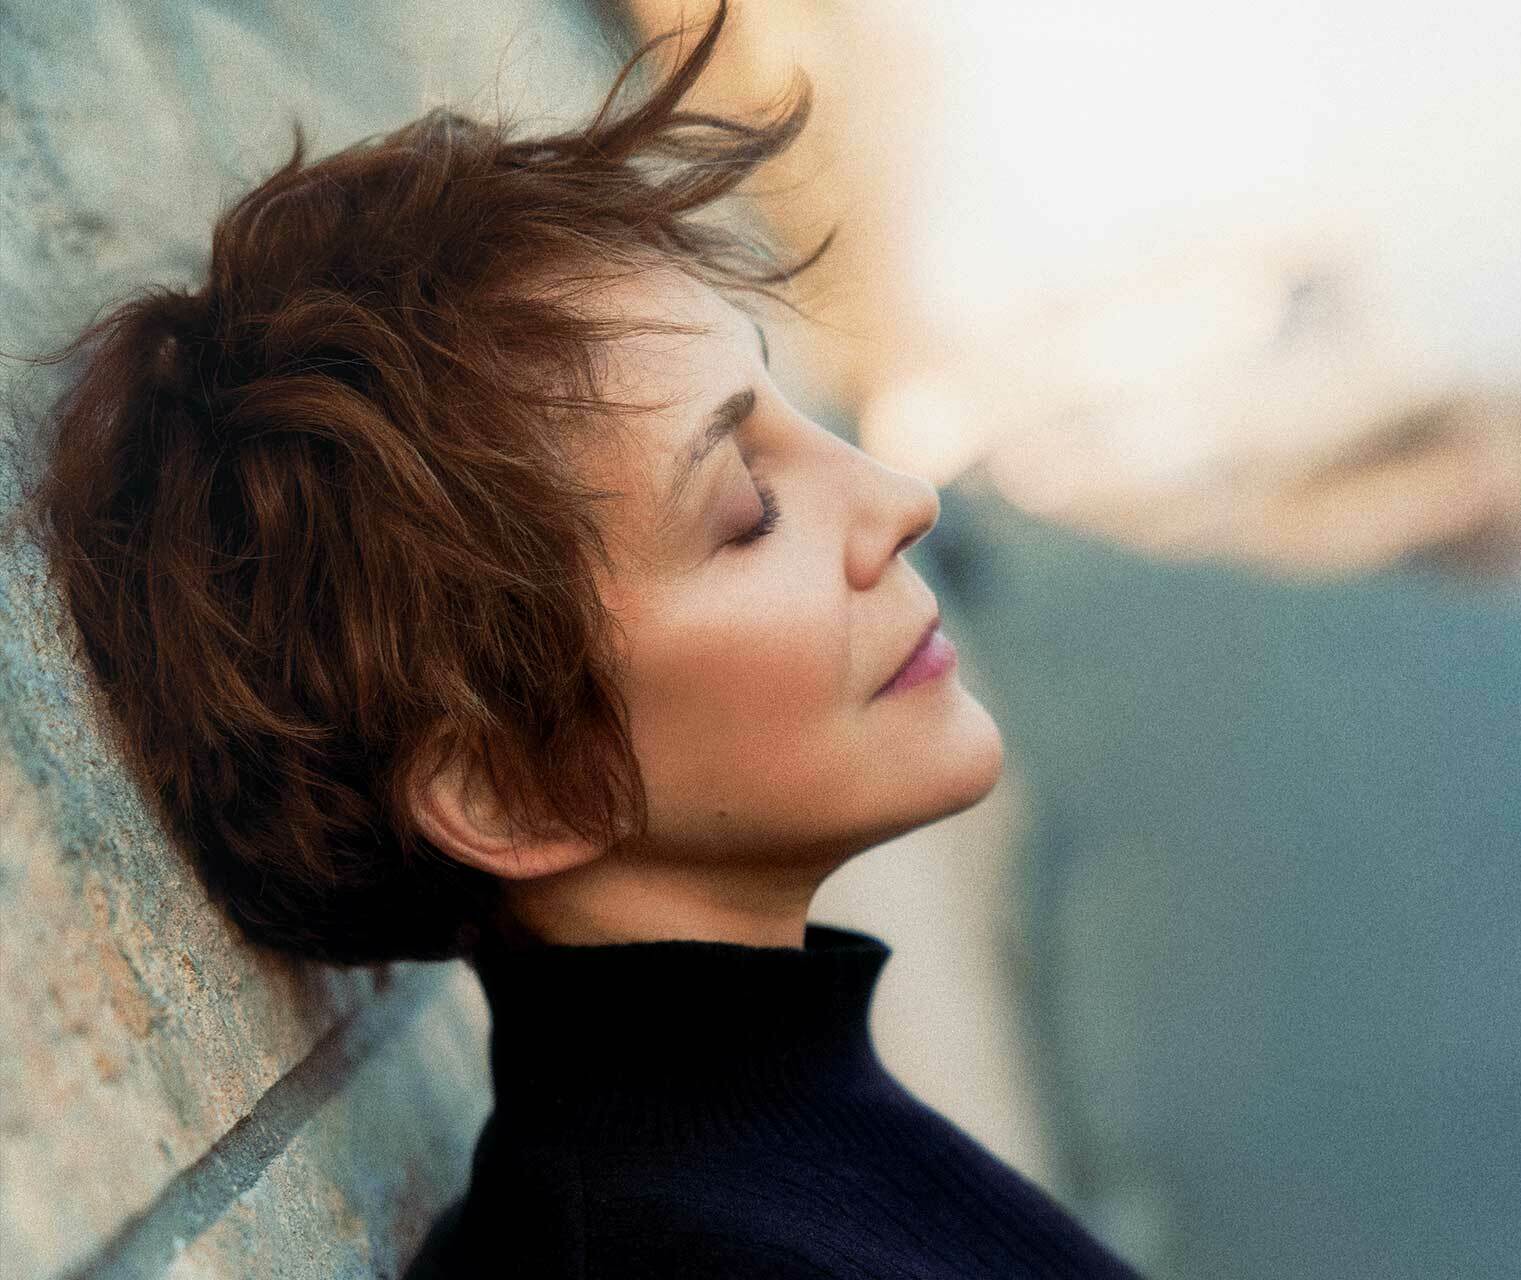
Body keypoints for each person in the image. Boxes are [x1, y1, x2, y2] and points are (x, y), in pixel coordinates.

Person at [19, 3, 1146, 1276]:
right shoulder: (687, 1252)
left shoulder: (744, 1176)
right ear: (510, 782)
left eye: (792, 417)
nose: (901, 499)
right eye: (748, 508)